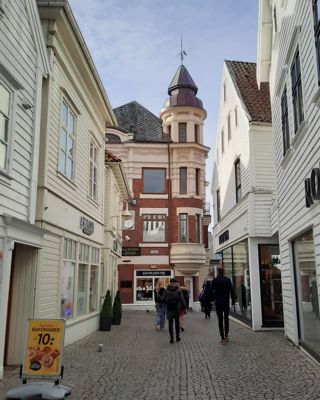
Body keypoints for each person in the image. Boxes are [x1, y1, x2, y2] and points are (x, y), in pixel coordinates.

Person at [211, 266, 235, 344]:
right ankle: (226, 334)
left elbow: (211, 291)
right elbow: (231, 291)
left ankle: (222, 337)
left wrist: (213, 299)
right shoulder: (227, 280)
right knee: (226, 318)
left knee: (220, 319)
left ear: (218, 271)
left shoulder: (214, 280)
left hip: (218, 302)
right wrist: (233, 301)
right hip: (226, 301)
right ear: (223, 271)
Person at [162, 278, 186, 343]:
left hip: (169, 308)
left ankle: (171, 338)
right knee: (177, 322)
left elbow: (163, 299)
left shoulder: (167, 289)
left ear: (170, 282)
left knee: (170, 323)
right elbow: (182, 299)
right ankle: (177, 337)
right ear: (175, 282)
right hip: (177, 308)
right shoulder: (178, 290)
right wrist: (184, 307)